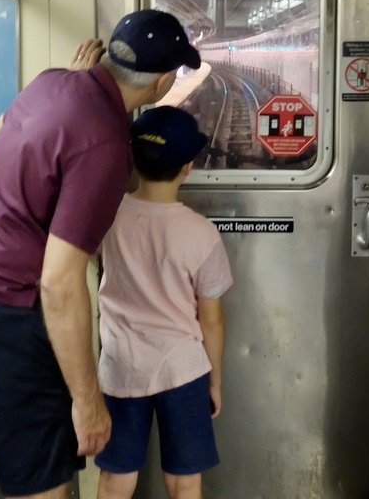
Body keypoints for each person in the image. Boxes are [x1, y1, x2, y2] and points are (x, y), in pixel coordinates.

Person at [0, 9, 201, 499]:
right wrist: (88, 401)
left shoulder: (53, 83)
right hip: (8, 319)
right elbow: (59, 282)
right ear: (160, 84)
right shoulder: (107, 147)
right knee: (42, 487)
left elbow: (1, 128)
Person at [95, 106, 233, 499]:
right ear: (187, 166)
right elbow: (212, 321)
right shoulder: (201, 234)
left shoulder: (107, 214)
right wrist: (215, 380)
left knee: (115, 477)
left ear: (133, 158)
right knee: (184, 481)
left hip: (121, 365)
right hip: (182, 369)